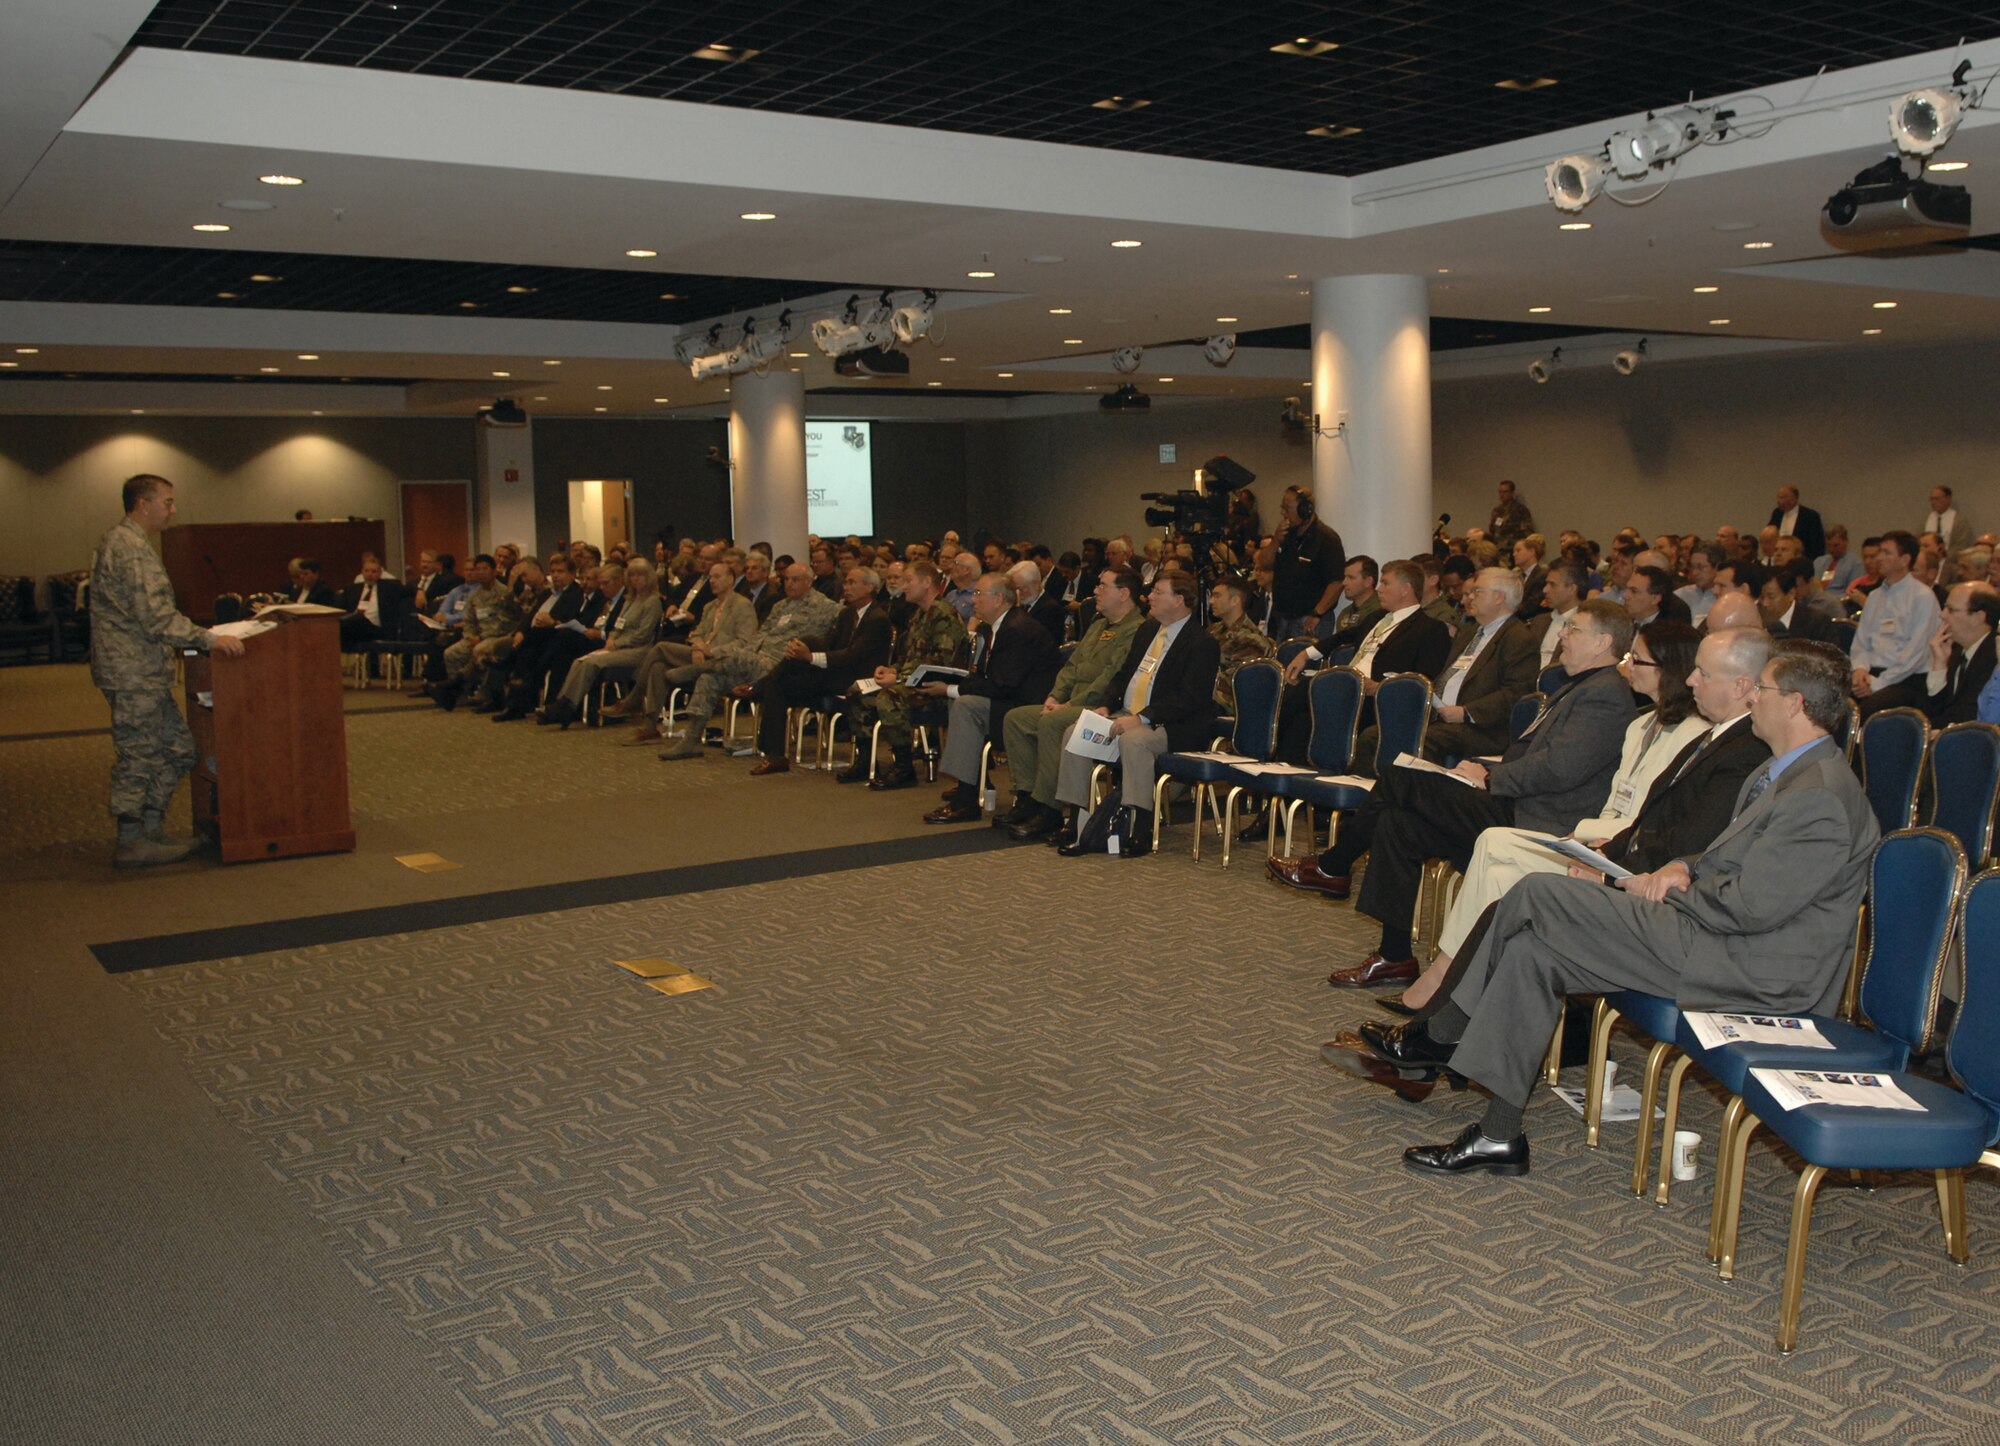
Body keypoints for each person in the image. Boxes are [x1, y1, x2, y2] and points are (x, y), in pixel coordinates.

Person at [1395, 640, 1879, 1177]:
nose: (1753, 700)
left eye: (1761, 689)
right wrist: (1687, 866)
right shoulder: (1791, 772)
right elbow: (1745, 859)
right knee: (1536, 951)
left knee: (1539, 891)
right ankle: (1498, 1135)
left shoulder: (1820, 796)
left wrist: (1669, 888)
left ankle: (1439, 1033)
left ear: (1793, 704)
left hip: (1751, 966)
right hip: (1717, 938)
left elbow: (1750, 910)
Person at [1382, 622, 1745, 1015]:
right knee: (1477, 837)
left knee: (1493, 860)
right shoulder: (1640, 723)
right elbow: (1614, 802)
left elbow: (1641, 818)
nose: (1627, 665)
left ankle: (1453, 990)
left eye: (1635, 658)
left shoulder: (1692, 733)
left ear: (1665, 670)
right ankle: (1453, 985)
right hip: (1596, 838)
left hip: (1614, 852)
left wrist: (1585, 836)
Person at [1270, 599, 1638, 986]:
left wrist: (1492, 778)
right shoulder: (1579, 686)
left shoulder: (1605, 694)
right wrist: (1488, 772)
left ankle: (1334, 866)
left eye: (1574, 629)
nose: (1562, 633)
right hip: (1515, 800)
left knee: (1400, 777)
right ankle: (1393, 956)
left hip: (1537, 818)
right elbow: (1543, 760)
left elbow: (1560, 769)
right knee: (1399, 823)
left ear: (1603, 642)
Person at [89, 474, 247, 866]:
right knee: (138, 755)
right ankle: (131, 840)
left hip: (143, 671)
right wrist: (210, 639)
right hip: (132, 673)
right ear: (143, 504)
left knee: (179, 750)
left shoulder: (128, 543)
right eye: (168, 502)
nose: (173, 510)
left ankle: (151, 829)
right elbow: (157, 619)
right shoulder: (129, 549)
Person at [1051, 572, 1223, 856]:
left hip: (1170, 724)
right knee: (1075, 732)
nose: (1149, 597)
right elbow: (1123, 675)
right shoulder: (1147, 630)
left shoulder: (1201, 642)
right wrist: (1106, 705)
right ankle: (1078, 822)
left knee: (1134, 740)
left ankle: (1140, 826)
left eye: (1158, 592)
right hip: (1126, 713)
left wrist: (1141, 718)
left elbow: (1189, 699)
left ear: (1179, 600)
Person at [992, 566, 1147, 840]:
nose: (1096, 591)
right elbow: (1072, 667)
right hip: (1071, 702)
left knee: (1053, 722)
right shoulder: (1099, 625)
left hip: (1101, 706)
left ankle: (1049, 808)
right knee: (1016, 718)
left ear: (1124, 594)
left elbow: (1110, 677)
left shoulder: (1136, 630)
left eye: (1103, 586)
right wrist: (1055, 696)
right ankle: (1026, 797)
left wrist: (1067, 705)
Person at [921, 572, 1061, 824]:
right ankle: (970, 784)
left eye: (978, 594)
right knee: (963, 702)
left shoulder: (1019, 630)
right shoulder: (994, 628)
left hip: (1027, 707)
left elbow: (1000, 684)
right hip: (1008, 701)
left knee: (964, 704)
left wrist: (951, 688)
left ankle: (966, 798)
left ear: (998, 599)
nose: (973, 600)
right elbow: (984, 677)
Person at [829, 560, 967, 788]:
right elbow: (908, 659)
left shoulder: (944, 615)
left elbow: (940, 665)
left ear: (926, 583)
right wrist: (891, 669)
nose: (903, 586)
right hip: (911, 683)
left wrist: (899, 679)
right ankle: (865, 760)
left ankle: (904, 767)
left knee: (889, 697)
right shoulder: (919, 615)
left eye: (908, 580)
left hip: (935, 690)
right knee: (857, 690)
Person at [747, 567, 894, 775]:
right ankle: (775, 756)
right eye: (846, 583)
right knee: (779, 684)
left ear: (870, 587)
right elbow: (828, 644)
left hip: (858, 679)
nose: (846, 587)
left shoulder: (878, 619)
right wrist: (803, 652)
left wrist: (809, 657)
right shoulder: (847, 614)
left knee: (801, 652)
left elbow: (851, 656)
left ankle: (758, 686)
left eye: (852, 582)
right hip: (834, 674)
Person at [1415, 568, 1540, 763]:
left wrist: (1466, 712)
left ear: (1499, 597)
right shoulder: (1468, 632)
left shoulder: (1518, 638)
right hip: (1439, 718)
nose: (1468, 598)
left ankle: (1419, 792)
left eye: (1477, 592)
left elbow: (1516, 693)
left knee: (1423, 740)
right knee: (1375, 735)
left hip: (1483, 728)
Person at [541, 557, 662, 726]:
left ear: (648, 577)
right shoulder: (629, 600)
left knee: (592, 663)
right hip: (617, 646)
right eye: (632, 575)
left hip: (639, 650)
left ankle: (566, 708)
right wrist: (612, 639)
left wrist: (617, 643)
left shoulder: (652, 601)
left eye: (640, 575)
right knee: (580, 661)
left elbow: (643, 634)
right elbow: (617, 626)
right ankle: (564, 704)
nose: (635, 579)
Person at [1851, 530, 1942, 717]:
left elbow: (1916, 654)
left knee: (1866, 711)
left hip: (1906, 679)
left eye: (1886, 553)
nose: (1879, 558)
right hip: (1871, 672)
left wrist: (1877, 684)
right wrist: (1859, 669)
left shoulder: (1922, 597)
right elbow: (1861, 642)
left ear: (1905, 559)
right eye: (1880, 552)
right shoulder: (1875, 597)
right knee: (1830, 703)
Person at [1269, 486, 1346, 639]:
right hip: (1283, 617)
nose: (1283, 513)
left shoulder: (1327, 538)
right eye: (1282, 508)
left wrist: (1317, 613)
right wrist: (1276, 540)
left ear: (1306, 510)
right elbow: (1264, 562)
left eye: (1287, 508)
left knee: (1303, 662)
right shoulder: (1285, 535)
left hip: (1309, 619)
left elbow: (1336, 582)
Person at [1923, 581, 2000, 726]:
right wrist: (1939, 666)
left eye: (1950, 609)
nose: (1942, 614)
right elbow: (1937, 710)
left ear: (1978, 617)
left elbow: (1969, 713)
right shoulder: (1958, 651)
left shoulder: (1994, 658)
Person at [337, 555, 406, 651]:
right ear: (362, 572)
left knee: (359, 619)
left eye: (374, 571)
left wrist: (420, 591)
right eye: (367, 571)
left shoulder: (389, 587)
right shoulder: (352, 589)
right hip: (355, 627)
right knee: (341, 623)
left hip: (377, 629)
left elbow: (408, 589)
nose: (370, 574)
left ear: (380, 573)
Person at [1923, 485, 1972, 583]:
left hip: (1950, 565)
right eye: (1931, 499)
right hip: (1928, 564)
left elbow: (1960, 546)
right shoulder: (1927, 520)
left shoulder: (1959, 520)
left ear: (1948, 499)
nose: (1933, 502)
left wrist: (1942, 558)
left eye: (1937, 499)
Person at [1768, 484, 1826, 564]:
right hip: (1779, 562)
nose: (1778, 500)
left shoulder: (1810, 516)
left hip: (1801, 562)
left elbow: (1817, 544)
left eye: (1781, 498)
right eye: (1778, 497)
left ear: (1793, 499)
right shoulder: (1777, 514)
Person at [1487, 479, 1535, 550]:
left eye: (1505, 492)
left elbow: (1527, 532)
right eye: (1500, 492)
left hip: (1513, 549)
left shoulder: (1520, 509)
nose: (1502, 495)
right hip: (1498, 549)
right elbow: (1492, 531)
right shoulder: (1497, 511)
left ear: (1512, 493)